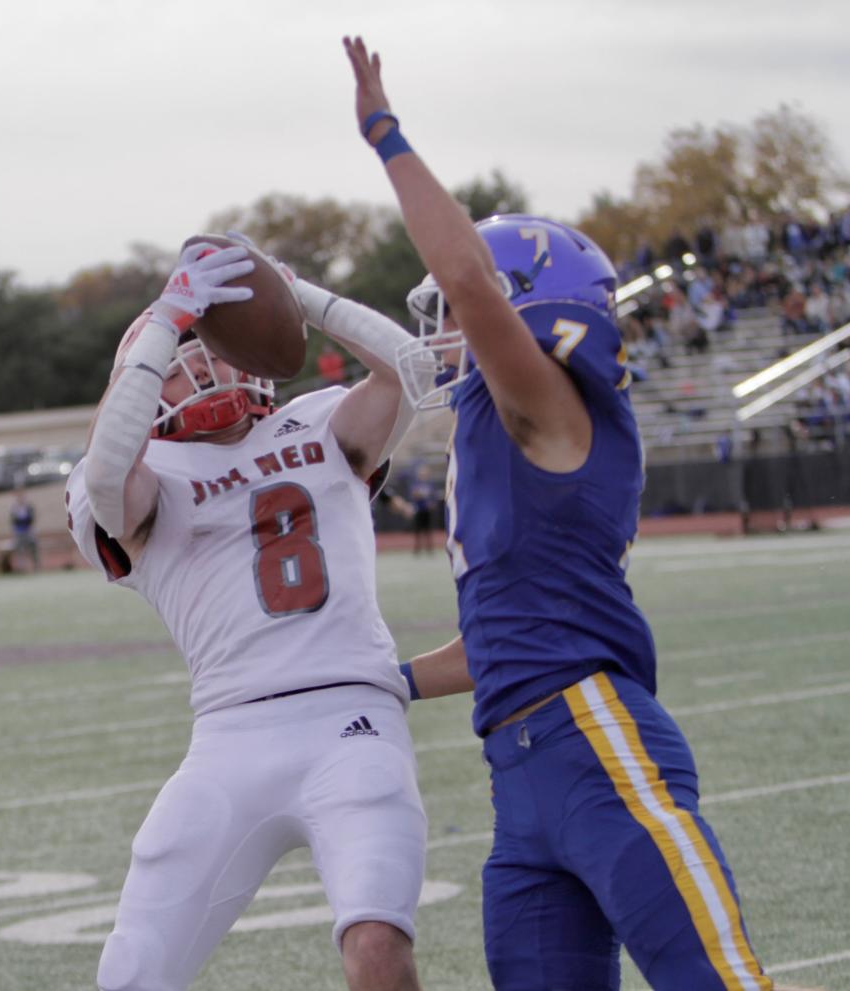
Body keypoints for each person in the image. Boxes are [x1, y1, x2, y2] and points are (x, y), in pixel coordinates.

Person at [343, 36, 774, 991]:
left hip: (600, 745)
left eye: (463, 316)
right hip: (520, 775)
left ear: (529, 307)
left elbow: (463, 275)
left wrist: (384, 133)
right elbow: (500, 640)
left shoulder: (551, 407)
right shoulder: (500, 434)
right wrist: (384, 680)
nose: (446, 335)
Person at [65, 237, 430, 991]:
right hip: (230, 735)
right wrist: (165, 315)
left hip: (350, 717)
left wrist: (305, 298)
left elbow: (411, 369)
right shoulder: (140, 478)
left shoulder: (321, 423)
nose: (200, 367)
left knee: (377, 942)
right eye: (175, 358)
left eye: (211, 349)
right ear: (137, 388)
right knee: (132, 970)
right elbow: (107, 472)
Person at [9, 490, 39, 572]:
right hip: (19, 532)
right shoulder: (14, 508)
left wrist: (23, 521)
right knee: (19, 550)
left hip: (29, 531)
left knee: (34, 548)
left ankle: (36, 567)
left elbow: (31, 519)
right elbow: (13, 521)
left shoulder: (29, 507)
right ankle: (21, 568)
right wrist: (22, 521)